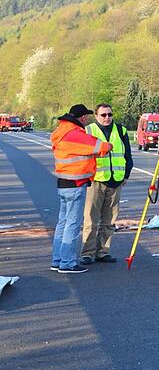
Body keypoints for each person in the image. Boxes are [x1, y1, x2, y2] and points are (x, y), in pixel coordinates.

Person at [50, 104, 112, 274]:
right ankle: (68, 263)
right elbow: (101, 147)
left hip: (63, 182)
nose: (87, 120)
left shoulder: (61, 131)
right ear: (82, 117)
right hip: (76, 184)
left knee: (62, 223)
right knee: (73, 224)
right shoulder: (75, 134)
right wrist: (108, 146)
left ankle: (57, 259)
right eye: (86, 117)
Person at [79, 103, 133, 265]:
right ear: (96, 116)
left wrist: (125, 176)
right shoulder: (88, 130)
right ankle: (87, 253)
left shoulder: (121, 130)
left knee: (109, 220)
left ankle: (103, 251)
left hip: (116, 180)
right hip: (95, 180)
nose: (107, 118)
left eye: (109, 114)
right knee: (91, 219)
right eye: (103, 115)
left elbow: (127, 155)